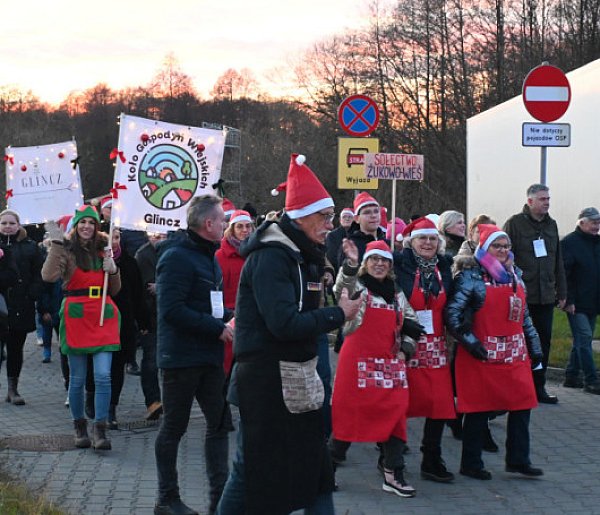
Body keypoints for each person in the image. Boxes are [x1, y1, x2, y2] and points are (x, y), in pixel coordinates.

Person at [219, 154, 361, 515]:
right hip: (265, 384)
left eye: (332, 216)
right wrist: (337, 314)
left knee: (315, 469)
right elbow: (283, 324)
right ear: (299, 217)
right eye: (324, 217)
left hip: (297, 380)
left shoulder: (305, 254)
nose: (330, 224)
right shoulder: (271, 258)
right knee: (250, 472)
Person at [154, 195, 233, 515]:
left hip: (209, 357)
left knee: (220, 424)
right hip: (181, 358)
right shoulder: (175, 257)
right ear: (208, 224)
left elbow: (207, 305)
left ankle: (221, 499)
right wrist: (216, 329)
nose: (227, 225)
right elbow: (171, 310)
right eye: (223, 220)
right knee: (174, 427)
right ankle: (166, 499)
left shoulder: (208, 257)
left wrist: (230, 317)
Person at [446, 224, 544, 480]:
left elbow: (524, 316)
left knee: (523, 404)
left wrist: (534, 347)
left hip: (514, 353)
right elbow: (453, 315)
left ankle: (518, 460)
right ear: (484, 248)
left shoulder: (515, 274)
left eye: (505, 246)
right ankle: (471, 463)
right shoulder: (470, 275)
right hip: (481, 354)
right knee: (478, 409)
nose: (502, 250)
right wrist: (471, 342)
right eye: (496, 246)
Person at [330, 239, 419, 498]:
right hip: (356, 364)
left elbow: (412, 323)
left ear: (390, 265)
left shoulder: (397, 293)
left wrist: (406, 349)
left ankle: (393, 472)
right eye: (374, 260)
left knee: (396, 414)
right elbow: (341, 288)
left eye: (384, 260)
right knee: (349, 417)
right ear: (366, 264)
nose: (379, 264)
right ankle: (326, 470)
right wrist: (350, 263)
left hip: (390, 364)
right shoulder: (357, 287)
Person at [42, 206, 121, 450]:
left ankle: (100, 428)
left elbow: (115, 289)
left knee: (103, 376)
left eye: (91, 222)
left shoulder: (104, 249)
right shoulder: (65, 249)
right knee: (77, 379)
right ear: (76, 225)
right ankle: (79, 426)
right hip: (76, 314)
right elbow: (48, 276)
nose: (87, 226)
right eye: (82, 222)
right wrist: (56, 243)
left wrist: (114, 270)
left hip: (102, 313)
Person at [394, 217, 456, 483]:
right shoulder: (399, 266)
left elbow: (452, 303)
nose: (428, 243)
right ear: (412, 242)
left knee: (440, 403)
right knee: (398, 402)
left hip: (436, 345)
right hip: (404, 342)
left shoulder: (445, 267)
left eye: (432, 239)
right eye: (422, 239)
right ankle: (390, 459)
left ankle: (431, 459)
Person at [503, 184, 566, 404]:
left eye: (548, 198)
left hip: (545, 295)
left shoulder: (552, 225)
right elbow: (503, 257)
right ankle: (517, 385)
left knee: (543, 342)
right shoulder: (515, 224)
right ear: (530, 202)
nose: (547, 202)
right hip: (522, 295)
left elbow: (557, 259)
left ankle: (539, 385)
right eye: (542, 199)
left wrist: (561, 290)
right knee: (520, 342)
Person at [0, 209, 44, 405]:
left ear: (18, 225)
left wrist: (32, 293)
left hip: (21, 304)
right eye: (4, 223)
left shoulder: (30, 247)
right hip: (0, 304)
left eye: (11, 223)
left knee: (16, 349)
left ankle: (12, 389)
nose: (8, 226)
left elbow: (39, 273)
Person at [561, 207, 600, 394]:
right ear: (582, 222)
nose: (597, 226)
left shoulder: (597, 242)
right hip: (575, 302)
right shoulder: (569, 243)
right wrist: (568, 299)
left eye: (598, 222)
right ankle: (591, 380)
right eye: (593, 222)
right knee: (584, 338)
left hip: (593, 301)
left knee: (582, 339)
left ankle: (571, 375)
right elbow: (564, 274)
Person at [215, 209, 254, 377]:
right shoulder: (219, 256)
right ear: (231, 229)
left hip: (251, 317)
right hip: (228, 318)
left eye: (248, 226)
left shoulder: (256, 253)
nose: (245, 230)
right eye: (240, 227)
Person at [135, 231, 166, 420]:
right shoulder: (143, 255)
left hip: (170, 316)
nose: (158, 238)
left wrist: (161, 286)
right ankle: (153, 401)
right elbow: (145, 288)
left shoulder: (174, 250)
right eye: (154, 234)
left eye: (161, 235)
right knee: (151, 361)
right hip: (150, 317)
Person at [338, 192, 386, 266]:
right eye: (367, 212)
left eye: (376, 211)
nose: (373, 216)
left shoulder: (388, 243)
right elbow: (345, 275)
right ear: (357, 219)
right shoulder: (351, 246)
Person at [325, 207, 353, 272]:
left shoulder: (357, 235)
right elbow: (331, 257)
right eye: (344, 217)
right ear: (340, 220)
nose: (347, 219)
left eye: (350, 217)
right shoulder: (332, 235)